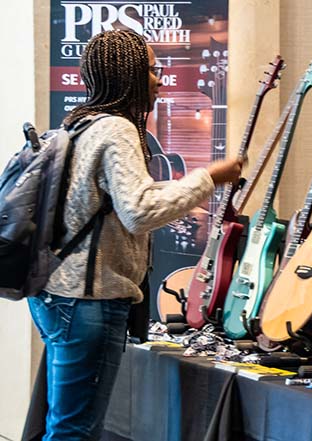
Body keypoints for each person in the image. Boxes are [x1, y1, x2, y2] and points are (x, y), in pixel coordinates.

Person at [27, 29, 241, 440]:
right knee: (76, 431)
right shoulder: (117, 130)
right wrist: (208, 177)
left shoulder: (79, 125)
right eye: (152, 70)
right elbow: (140, 212)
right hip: (89, 301)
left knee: (66, 424)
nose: (160, 79)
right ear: (126, 74)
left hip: (57, 296)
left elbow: (123, 201)